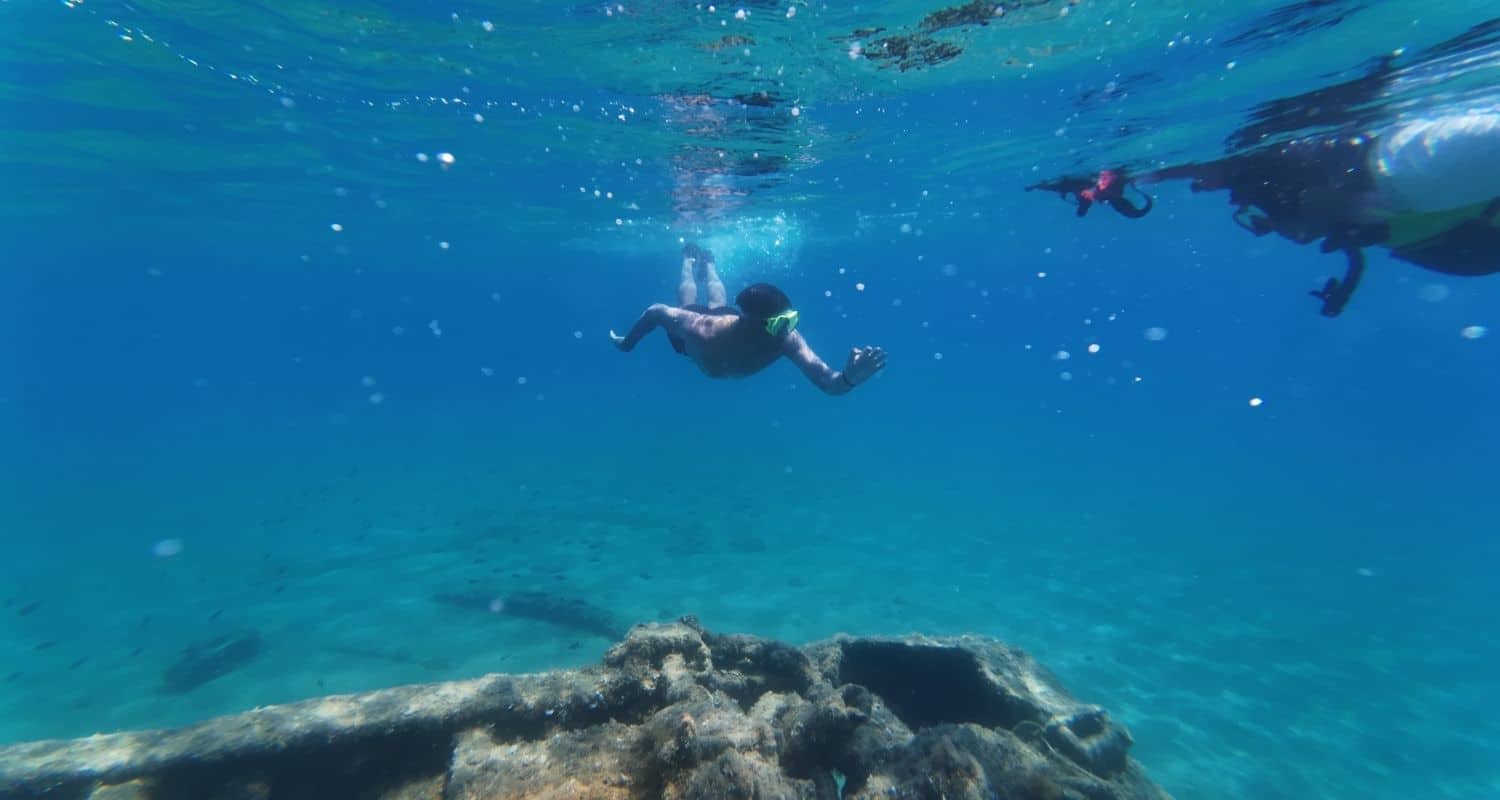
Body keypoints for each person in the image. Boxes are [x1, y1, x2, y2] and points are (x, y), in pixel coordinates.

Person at [1026, 27, 1500, 318]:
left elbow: (1200, 168)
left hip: (1398, 173)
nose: (1240, 209)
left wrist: (1124, 178)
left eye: (1251, 217)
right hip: (1403, 179)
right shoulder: (1348, 207)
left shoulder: (1263, 174)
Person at [610, 244, 887, 394]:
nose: (787, 330)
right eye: (779, 324)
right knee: (689, 303)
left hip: (731, 324)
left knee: (719, 303)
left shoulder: (785, 339)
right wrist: (627, 343)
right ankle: (688, 261)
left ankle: (710, 265)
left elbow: (830, 384)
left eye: (791, 320)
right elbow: (656, 311)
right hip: (699, 341)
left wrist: (850, 378)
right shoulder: (698, 330)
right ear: (750, 321)